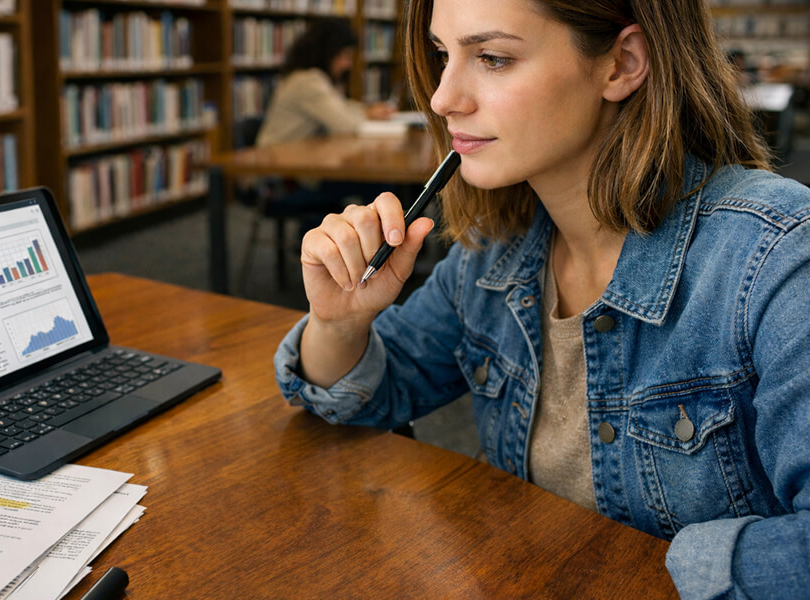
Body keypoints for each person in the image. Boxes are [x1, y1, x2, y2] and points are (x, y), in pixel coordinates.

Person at [273, 1, 810, 598]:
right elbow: (367, 395)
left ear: (622, 64)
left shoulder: (776, 262)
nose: (442, 98)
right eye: (441, 55)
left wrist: (654, 575)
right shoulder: (495, 251)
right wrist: (340, 322)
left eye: (493, 58)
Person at [255, 18, 395, 147]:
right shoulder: (307, 81)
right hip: (276, 166)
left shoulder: (308, 77)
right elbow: (345, 125)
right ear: (327, 52)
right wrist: (367, 114)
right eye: (344, 56)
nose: (348, 65)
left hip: (290, 159)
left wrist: (366, 111)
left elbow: (340, 106)